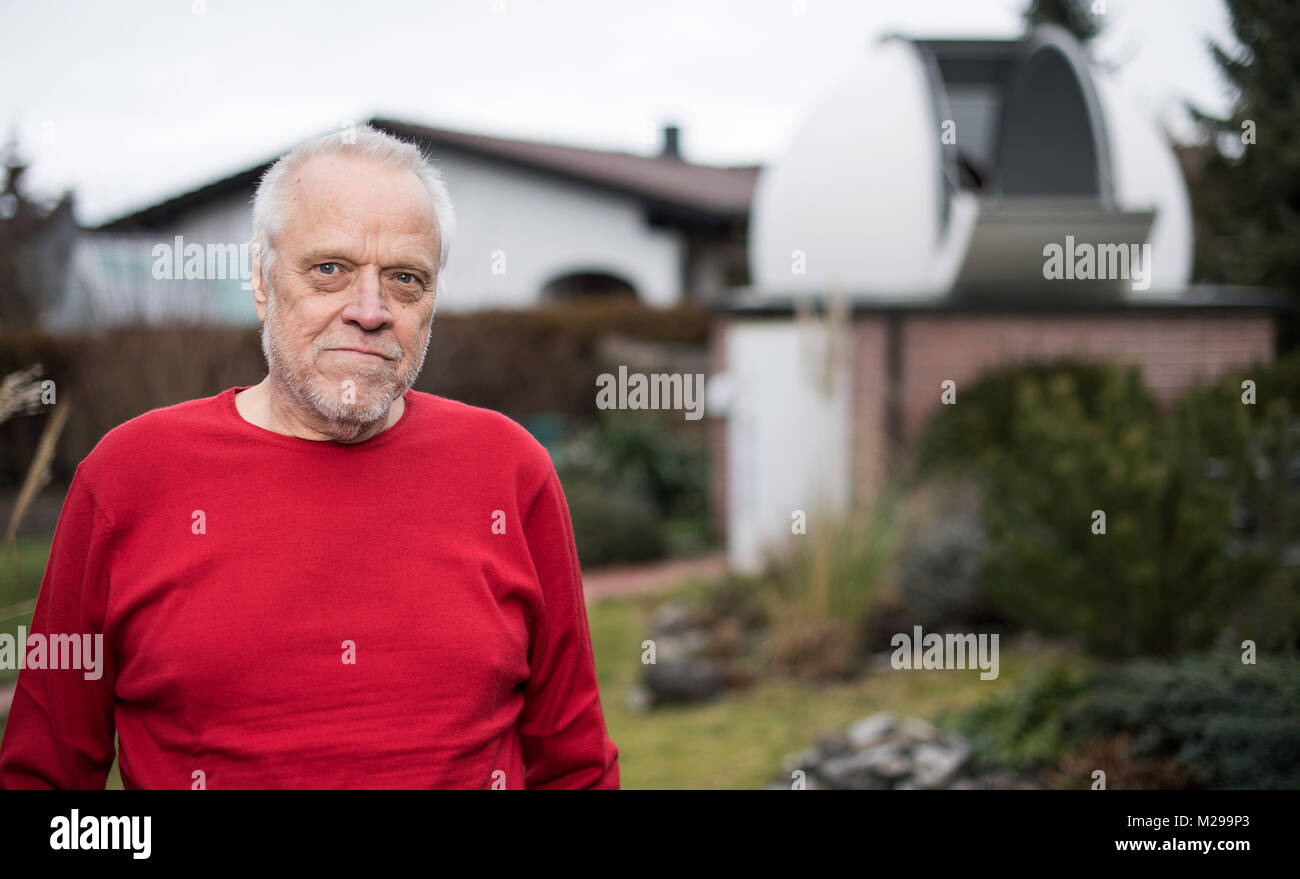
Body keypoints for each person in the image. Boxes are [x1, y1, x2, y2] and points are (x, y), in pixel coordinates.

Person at [0, 124, 620, 789]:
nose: (370, 310)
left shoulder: (509, 469)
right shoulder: (129, 475)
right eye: (330, 269)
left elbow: (577, 767)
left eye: (405, 279)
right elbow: (46, 777)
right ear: (263, 281)